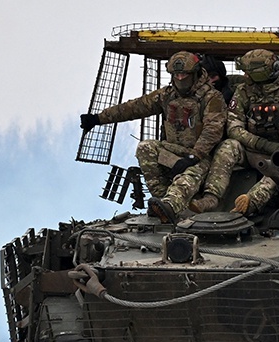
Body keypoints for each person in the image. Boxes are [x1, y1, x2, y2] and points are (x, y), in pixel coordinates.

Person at [80, 51, 233, 223]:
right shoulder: (167, 95)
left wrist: (193, 156)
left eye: (185, 74)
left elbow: (212, 131)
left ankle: (170, 204)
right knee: (145, 147)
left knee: (189, 175)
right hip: (174, 151)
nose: (181, 79)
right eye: (177, 75)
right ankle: (160, 201)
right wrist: (98, 119)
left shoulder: (212, 98)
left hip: (202, 157)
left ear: (195, 73)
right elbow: (135, 107)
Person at [191, 49, 279, 215]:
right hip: (251, 151)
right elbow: (234, 128)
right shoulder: (244, 92)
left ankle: (249, 203)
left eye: (247, 72)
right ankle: (211, 198)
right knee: (229, 146)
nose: (244, 76)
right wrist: (263, 144)